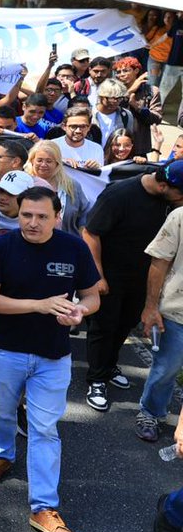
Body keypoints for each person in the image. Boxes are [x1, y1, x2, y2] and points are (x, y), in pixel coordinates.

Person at [0, 187, 102, 532]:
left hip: (53, 355)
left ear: (57, 217)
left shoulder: (74, 248)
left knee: (45, 429)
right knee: (2, 412)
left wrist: (80, 311)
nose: (32, 222)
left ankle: (43, 507)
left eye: (42, 216)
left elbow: (92, 295)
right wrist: (39, 304)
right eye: (26, 215)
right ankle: (2, 454)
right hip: (5, 351)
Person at [80, 161, 183, 412]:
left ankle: (109, 365)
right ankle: (96, 379)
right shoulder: (119, 194)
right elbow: (90, 233)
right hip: (111, 275)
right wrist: (97, 275)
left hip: (143, 277)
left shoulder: (170, 200)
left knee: (125, 324)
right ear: (163, 186)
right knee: (103, 327)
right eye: (181, 194)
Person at [138, 205, 183, 444]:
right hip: (177, 310)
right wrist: (151, 306)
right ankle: (151, 413)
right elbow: (160, 262)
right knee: (166, 369)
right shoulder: (180, 216)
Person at [24, 140, 89, 235]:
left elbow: (86, 214)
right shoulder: (23, 183)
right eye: (39, 160)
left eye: (49, 161)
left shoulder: (72, 186)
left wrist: (81, 234)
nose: (43, 164)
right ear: (32, 161)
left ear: (57, 163)